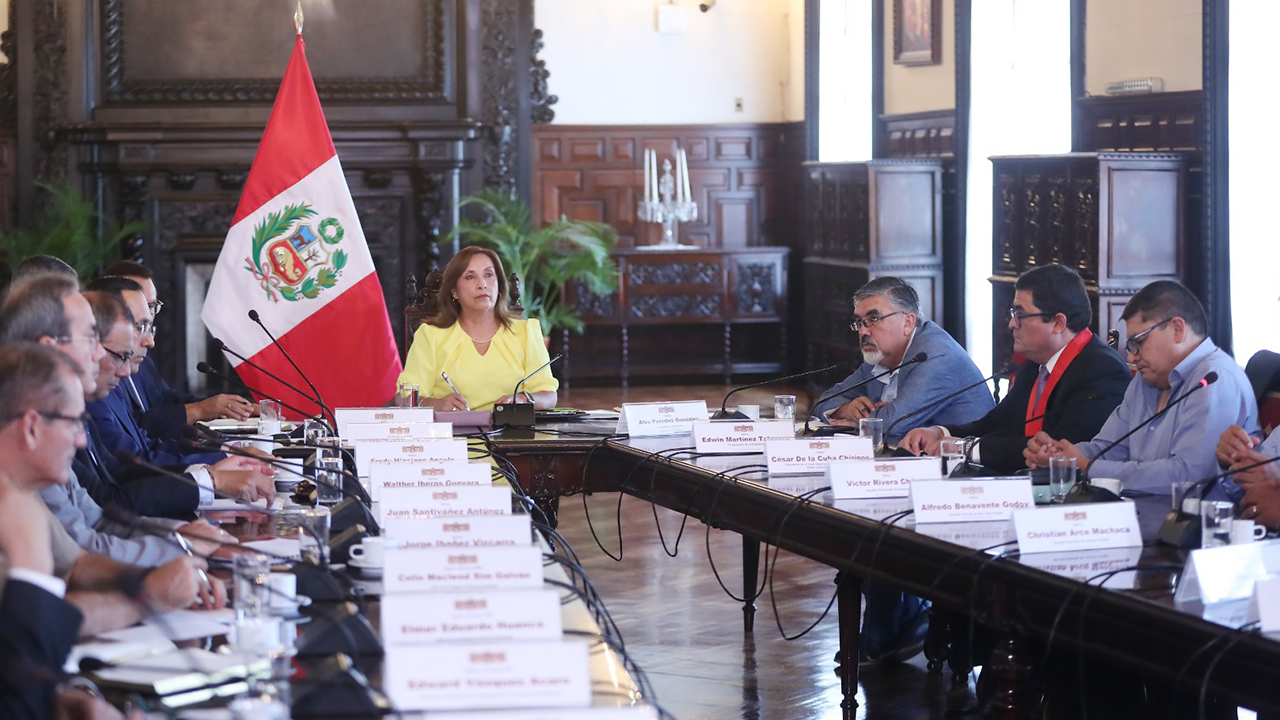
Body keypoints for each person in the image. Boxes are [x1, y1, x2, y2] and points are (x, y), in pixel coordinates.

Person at [0, 343, 226, 640]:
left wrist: (165, 576)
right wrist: (149, 597)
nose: (82, 441)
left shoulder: (23, 490)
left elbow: (77, 564)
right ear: (31, 428)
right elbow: (32, 629)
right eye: (74, 423)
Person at [1024, 280, 1257, 496]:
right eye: (1130, 345)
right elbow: (1108, 447)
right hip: (1133, 514)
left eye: (1139, 342)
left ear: (1177, 329)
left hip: (1191, 523)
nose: (1131, 356)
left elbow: (1187, 476)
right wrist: (1059, 456)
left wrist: (1087, 466)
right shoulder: (1146, 380)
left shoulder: (1214, 380)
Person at [900, 265, 1131, 473]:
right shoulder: (1035, 364)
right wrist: (940, 432)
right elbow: (997, 424)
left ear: (1058, 323)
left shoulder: (1102, 371)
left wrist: (965, 448)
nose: (1012, 324)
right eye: (1013, 314)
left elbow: (1058, 449)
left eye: (1020, 315)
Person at [811, 276, 994, 445]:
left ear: (908, 323)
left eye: (874, 319)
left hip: (963, 464)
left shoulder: (936, 356)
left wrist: (863, 420)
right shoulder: (880, 356)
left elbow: (893, 423)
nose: (863, 331)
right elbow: (824, 401)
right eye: (859, 322)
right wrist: (847, 409)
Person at [99, 262, 255, 435]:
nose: (149, 315)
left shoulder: (141, 354)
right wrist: (199, 410)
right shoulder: (104, 367)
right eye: (143, 304)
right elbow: (133, 429)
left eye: (152, 306)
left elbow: (165, 399)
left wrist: (223, 407)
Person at [399, 246, 559, 412]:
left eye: (489, 275)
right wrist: (437, 405)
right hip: (453, 428)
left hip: (512, 428)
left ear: (499, 285)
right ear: (454, 291)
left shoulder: (526, 332)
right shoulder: (430, 335)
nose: (482, 284)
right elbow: (404, 397)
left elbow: (548, 396)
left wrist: (523, 399)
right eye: (470, 277)